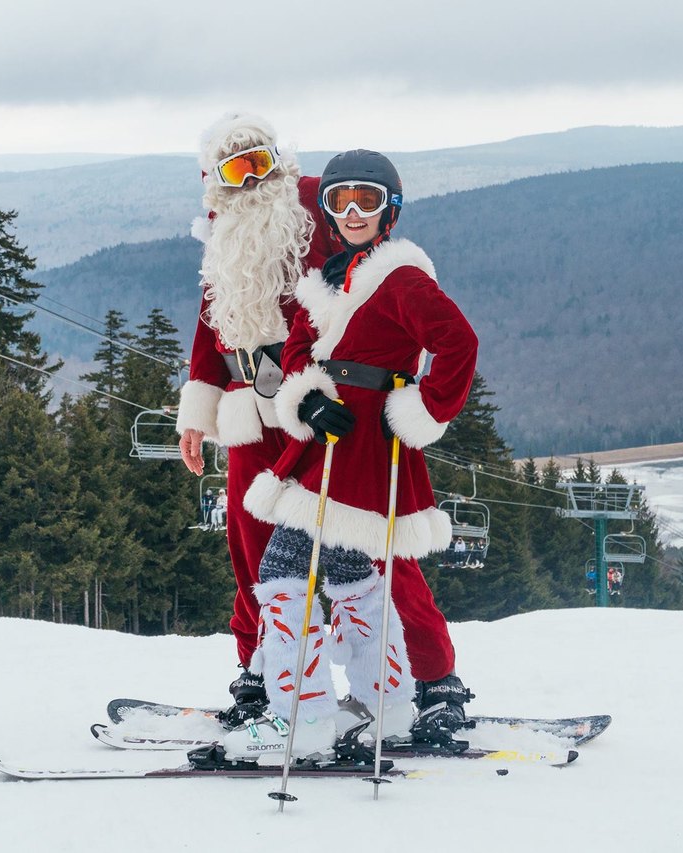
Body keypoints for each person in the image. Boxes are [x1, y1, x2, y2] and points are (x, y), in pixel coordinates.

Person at [175, 117, 471, 738]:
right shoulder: (225, 231)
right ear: (214, 184)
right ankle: (261, 675)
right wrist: (196, 414)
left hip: (334, 408)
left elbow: (378, 292)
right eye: (234, 171)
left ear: (279, 160)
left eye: (259, 160)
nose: (252, 178)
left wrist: (396, 396)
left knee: (372, 541)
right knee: (254, 550)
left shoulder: (317, 199)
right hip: (258, 404)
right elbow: (213, 317)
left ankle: (433, 676)